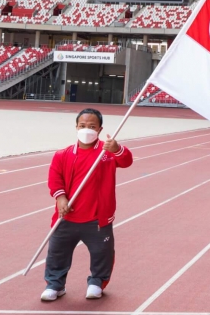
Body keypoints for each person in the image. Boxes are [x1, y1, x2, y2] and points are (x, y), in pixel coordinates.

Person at [41, 108, 133, 302]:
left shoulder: (106, 153)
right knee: (57, 252)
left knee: (102, 253)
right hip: (67, 216)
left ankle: (97, 282)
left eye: (92, 126)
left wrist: (117, 149)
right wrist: (60, 198)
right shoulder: (63, 154)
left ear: (100, 129)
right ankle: (55, 284)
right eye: (82, 126)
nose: (86, 130)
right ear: (76, 127)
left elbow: (126, 161)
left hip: (97, 218)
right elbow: (54, 179)